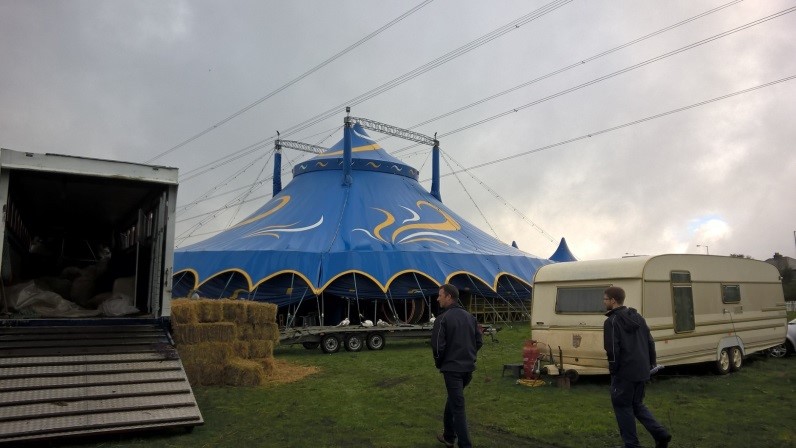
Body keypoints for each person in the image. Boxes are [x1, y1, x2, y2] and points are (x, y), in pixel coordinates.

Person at [603, 286, 672, 448]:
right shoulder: (638, 317)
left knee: (622, 406)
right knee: (636, 405)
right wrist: (651, 364)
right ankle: (661, 434)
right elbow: (650, 342)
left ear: (613, 300)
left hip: (624, 373)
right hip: (641, 371)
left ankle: (632, 444)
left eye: (605, 299)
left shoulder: (611, 321)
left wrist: (613, 371)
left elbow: (612, 349)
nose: (603, 302)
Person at [431, 284, 483, 448]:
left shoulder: (442, 319)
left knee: (458, 407)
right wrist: (469, 356)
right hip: (467, 369)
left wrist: (441, 363)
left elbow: (438, 347)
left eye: (440, 295)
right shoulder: (470, 317)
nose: (437, 298)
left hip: (452, 370)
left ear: (449, 297)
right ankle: (448, 436)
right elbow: (479, 341)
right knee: (453, 400)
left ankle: (465, 444)